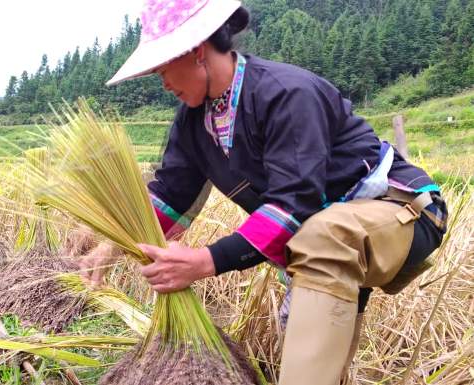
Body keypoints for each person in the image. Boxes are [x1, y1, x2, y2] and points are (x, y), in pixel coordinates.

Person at [79, 1, 448, 384]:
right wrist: (116, 245)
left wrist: (206, 261)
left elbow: (293, 204)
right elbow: (170, 197)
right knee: (308, 343)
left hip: (402, 209)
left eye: (164, 68)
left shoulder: (287, 93)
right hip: (331, 238)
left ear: (196, 50)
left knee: (321, 238)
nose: (163, 82)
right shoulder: (193, 123)